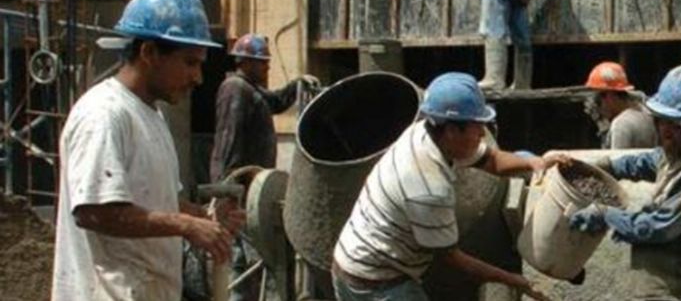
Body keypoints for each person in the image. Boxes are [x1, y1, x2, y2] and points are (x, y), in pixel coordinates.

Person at [52, 0, 244, 301]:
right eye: (189, 62)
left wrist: (203, 218)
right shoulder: (104, 114)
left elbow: (156, 202)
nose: (198, 78)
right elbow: (94, 213)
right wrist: (185, 225)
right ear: (149, 53)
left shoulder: (151, 115)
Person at [332, 72, 565, 301]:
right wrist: (514, 280)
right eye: (477, 125)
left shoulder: (425, 133)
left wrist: (534, 162)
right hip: (375, 282)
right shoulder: (428, 187)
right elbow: (452, 258)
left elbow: (491, 160)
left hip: (357, 259)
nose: (483, 133)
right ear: (453, 130)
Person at [569, 64, 681, 300]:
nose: (665, 131)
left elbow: (660, 227)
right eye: (662, 120)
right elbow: (650, 160)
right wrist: (602, 164)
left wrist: (608, 216)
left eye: (675, 125)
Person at [209, 33, 318, 301]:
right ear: (245, 62)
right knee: (240, 256)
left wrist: (297, 84)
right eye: (263, 63)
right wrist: (229, 190)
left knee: (252, 254)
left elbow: (276, 102)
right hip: (241, 190)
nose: (268, 67)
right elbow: (228, 141)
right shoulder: (235, 89)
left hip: (253, 188)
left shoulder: (251, 89)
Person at [584, 61, 657, 149]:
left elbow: (616, 161)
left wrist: (604, 129)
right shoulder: (646, 113)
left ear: (612, 94)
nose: (599, 104)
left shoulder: (621, 125)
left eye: (601, 96)